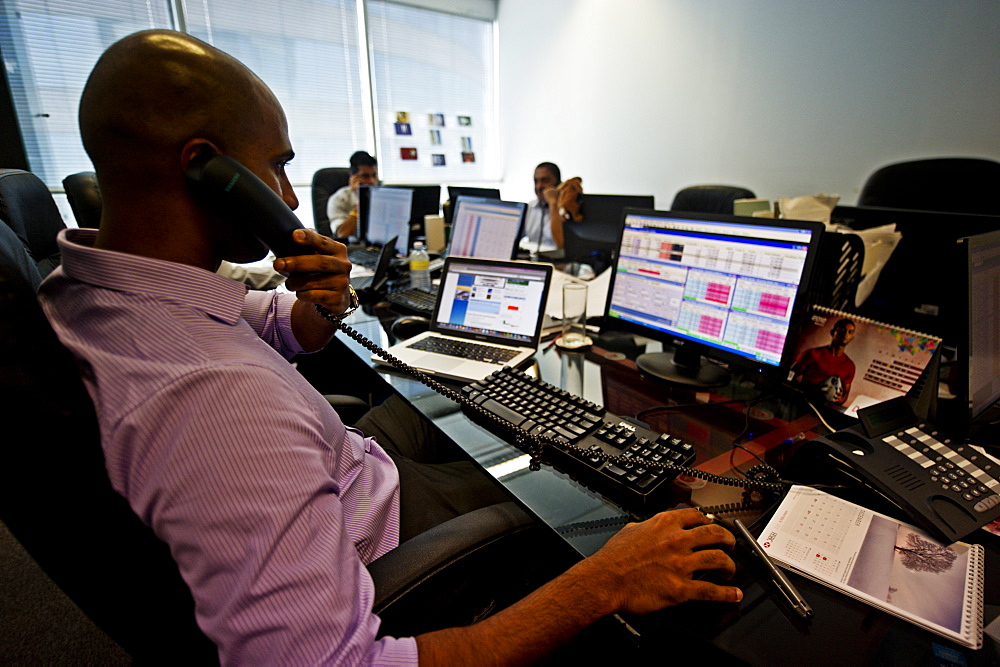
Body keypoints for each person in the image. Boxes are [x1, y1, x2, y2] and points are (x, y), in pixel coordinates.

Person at [39, 30, 741, 664]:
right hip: (388, 541)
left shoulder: (98, 289)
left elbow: (283, 325)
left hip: (347, 470)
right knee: (595, 499)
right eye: (277, 168)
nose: (286, 193)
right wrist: (602, 580)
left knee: (481, 406)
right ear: (206, 168)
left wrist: (324, 303)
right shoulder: (213, 399)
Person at [791, 318, 857, 405]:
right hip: (801, 402)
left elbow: (845, 395)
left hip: (825, 409)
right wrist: (810, 390)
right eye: (842, 330)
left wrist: (839, 399)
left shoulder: (850, 365)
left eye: (850, 332)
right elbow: (789, 376)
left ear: (852, 338)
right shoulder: (813, 353)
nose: (845, 334)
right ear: (832, 332)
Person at [327, 150, 379, 239]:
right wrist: (362, 201)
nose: (372, 181)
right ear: (352, 176)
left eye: (374, 175)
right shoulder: (338, 199)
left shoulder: (383, 196)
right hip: (355, 248)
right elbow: (343, 234)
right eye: (365, 176)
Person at [521, 161, 562, 253]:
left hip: (559, 264)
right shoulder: (530, 207)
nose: (539, 186)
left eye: (545, 180)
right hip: (533, 261)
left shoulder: (566, 210)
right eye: (536, 181)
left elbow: (560, 244)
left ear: (558, 183)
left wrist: (553, 204)